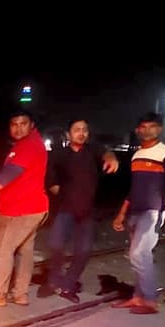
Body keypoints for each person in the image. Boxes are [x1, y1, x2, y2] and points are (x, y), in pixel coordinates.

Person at [0, 111, 49, 306]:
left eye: (23, 123)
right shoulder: (28, 144)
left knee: (2, 249)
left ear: (32, 125)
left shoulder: (28, 146)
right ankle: (20, 294)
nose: (18, 127)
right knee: (24, 250)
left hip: (23, 209)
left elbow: (9, 174)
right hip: (30, 207)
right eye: (14, 124)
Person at [39, 119, 120, 303]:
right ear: (69, 134)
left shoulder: (92, 151)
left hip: (87, 212)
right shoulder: (59, 154)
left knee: (83, 251)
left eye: (84, 130)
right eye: (77, 130)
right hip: (65, 210)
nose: (81, 133)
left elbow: (105, 153)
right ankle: (53, 281)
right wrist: (56, 189)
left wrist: (110, 157)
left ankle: (68, 285)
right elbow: (50, 178)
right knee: (56, 245)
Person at [110, 112, 165, 315]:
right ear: (138, 130)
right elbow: (133, 188)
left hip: (154, 210)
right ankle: (137, 297)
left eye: (152, 126)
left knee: (138, 253)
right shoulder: (137, 155)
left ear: (159, 129)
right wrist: (121, 214)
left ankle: (149, 300)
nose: (147, 130)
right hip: (135, 211)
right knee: (139, 255)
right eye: (143, 127)